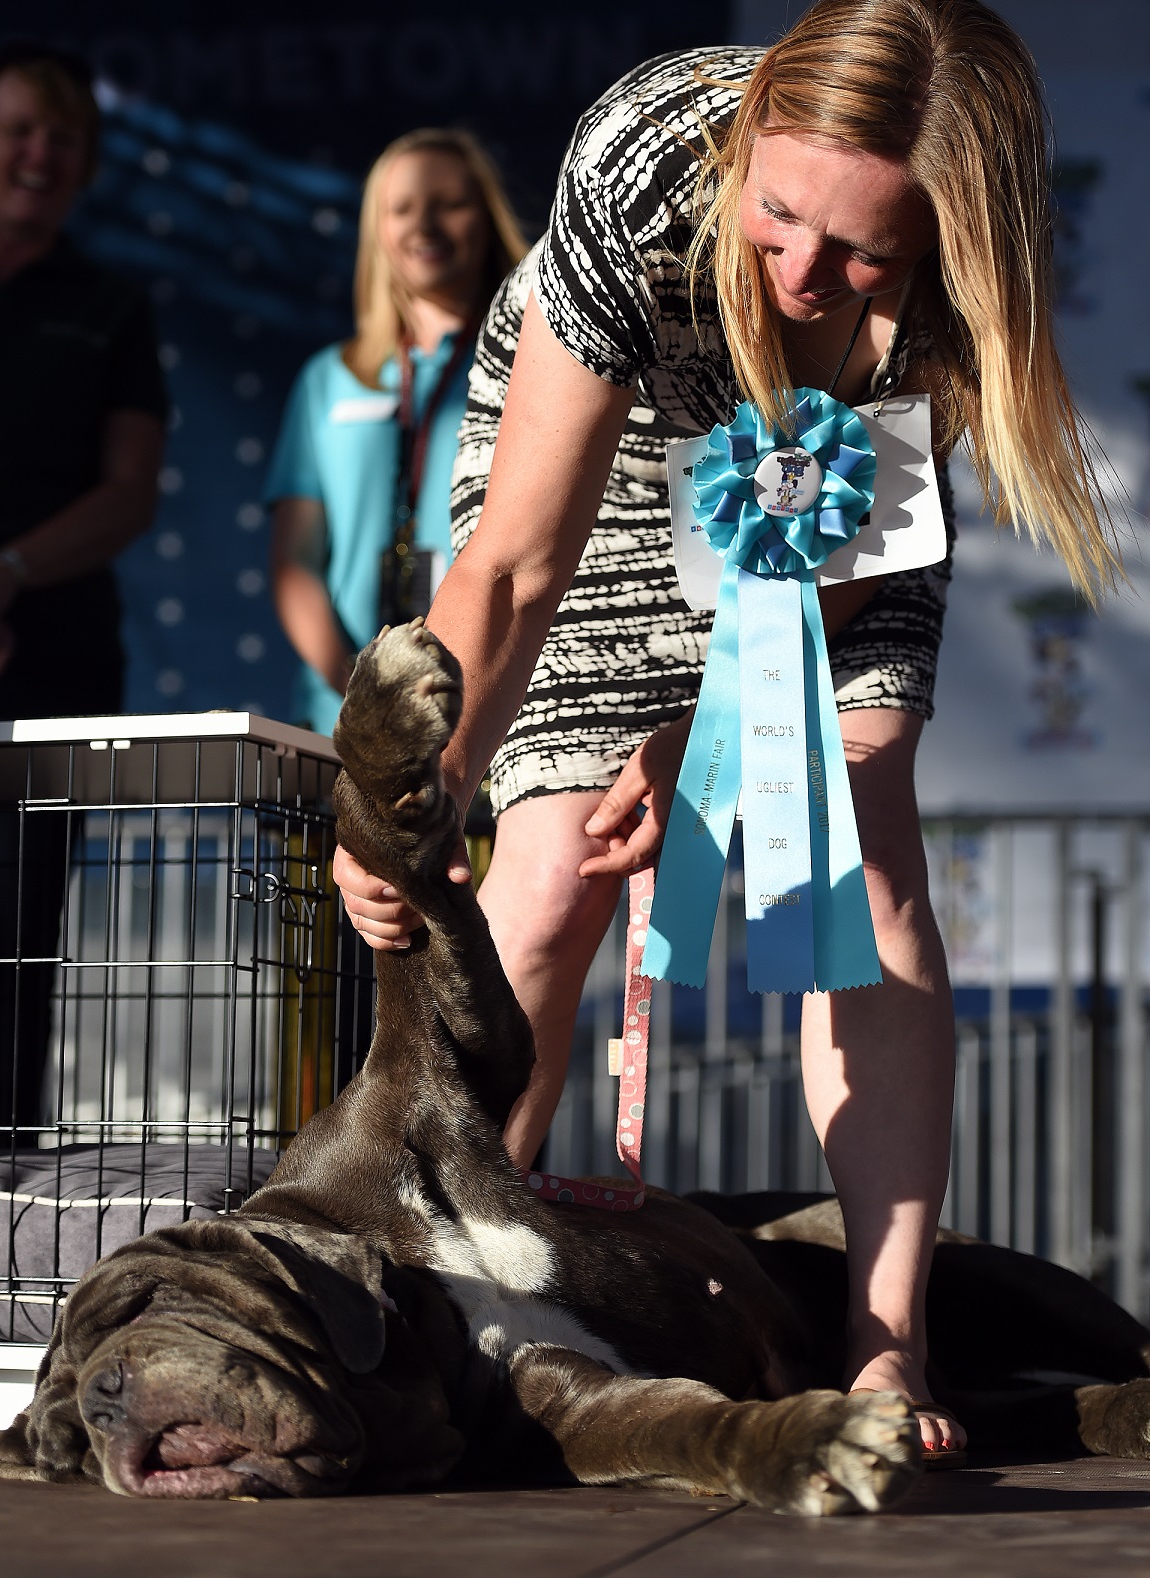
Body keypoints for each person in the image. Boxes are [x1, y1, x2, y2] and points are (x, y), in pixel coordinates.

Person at [332, 0, 1120, 1463]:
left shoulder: (953, 303)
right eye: (779, 215)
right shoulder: (644, 167)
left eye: (863, 253)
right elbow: (512, 566)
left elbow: (797, 643)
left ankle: (890, 1343)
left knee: (861, 841)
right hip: (619, 442)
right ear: (749, 133)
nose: (806, 274)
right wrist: (416, 797)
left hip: (823, 481)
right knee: (556, 859)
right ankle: (452, 1306)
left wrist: (697, 733)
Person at [0, 41, 167, 1133]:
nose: (39, 154)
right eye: (20, 130)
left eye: (63, 141)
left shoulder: (112, 307)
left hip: (47, 662)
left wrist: (1, 576)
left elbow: (129, 494)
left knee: (8, 936)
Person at [266, 128, 526, 737]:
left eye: (450, 204)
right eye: (403, 208)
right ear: (376, 232)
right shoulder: (330, 381)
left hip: (497, 721)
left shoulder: (539, 368)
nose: (425, 226)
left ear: (486, 219)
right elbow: (294, 561)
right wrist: (362, 688)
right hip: (345, 725)